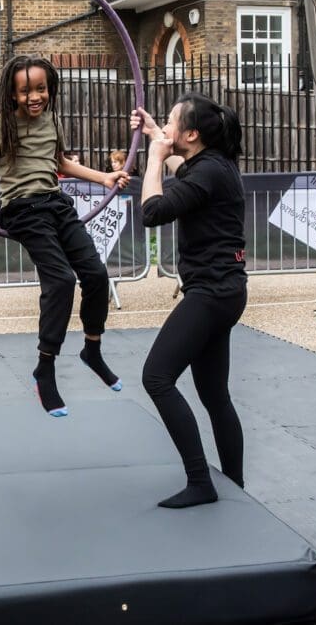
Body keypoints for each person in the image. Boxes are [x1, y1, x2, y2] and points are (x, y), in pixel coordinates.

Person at [0, 55, 130, 418]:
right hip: (22, 209)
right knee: (60, 281)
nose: (34, 97)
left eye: (40, 89)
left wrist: (104, 178)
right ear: (11, 93)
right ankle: (46, 367)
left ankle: (92, 349)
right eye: (25, 91)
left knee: (96, 274)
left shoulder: (52, 118)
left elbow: (60, 163)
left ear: (50, 88)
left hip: (56, 203)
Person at [130, 93, 248, 509]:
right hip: (226, 291)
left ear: (192, 134)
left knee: (156, 377)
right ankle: (235, 482)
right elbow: (186, 170)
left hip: (212, 293)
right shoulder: (213, 166)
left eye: (171, 121)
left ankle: (201, 481)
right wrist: (155, 136)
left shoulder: (210, 172)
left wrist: (154, 158)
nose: (165, 125)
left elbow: (153, 211)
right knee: (215, 394)